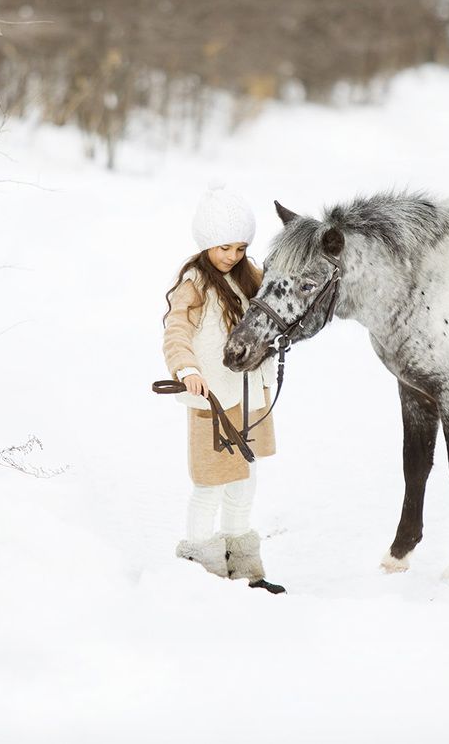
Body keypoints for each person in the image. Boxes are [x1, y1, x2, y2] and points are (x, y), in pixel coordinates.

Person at [162, 183, 285, 593]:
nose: (232, 256)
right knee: (210, 486)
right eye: (224, 248)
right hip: (212, 400)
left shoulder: (253, 278)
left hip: (249, 397)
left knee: (243, 482)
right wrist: (187, 369)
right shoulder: (195, 282)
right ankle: (202, 571)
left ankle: (245, 570)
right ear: (206, 243)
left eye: (239, 248)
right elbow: (176, 330)